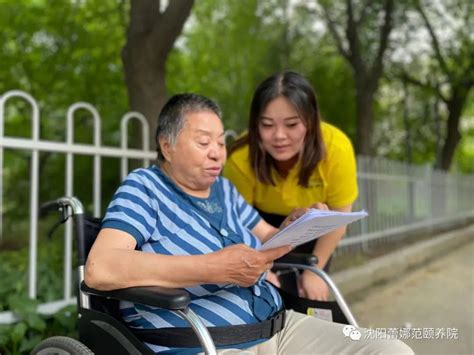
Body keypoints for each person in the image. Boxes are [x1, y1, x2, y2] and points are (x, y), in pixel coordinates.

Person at [84, 93, 412, 354]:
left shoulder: (224, 192)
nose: (217, 153)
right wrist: (214, 268)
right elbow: (102, 268)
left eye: (221, 143)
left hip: (277, 326)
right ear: (167, 146)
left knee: (389, 349)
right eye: (203, 142)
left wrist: (296, 224)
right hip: (201, 340)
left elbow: (268, 237)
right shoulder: (144, 188)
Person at [223, 71, 358, 301]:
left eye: (292, 124)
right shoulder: (240, 158)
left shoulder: (337, 149)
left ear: (311, 121)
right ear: (255, 124)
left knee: (310, 297)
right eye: (267, 125)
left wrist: (314, 271)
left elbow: (338, 220)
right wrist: (261, 267)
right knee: (266, 298)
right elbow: (237, 224)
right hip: (260, 227)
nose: (279, 136)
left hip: (316, 228)